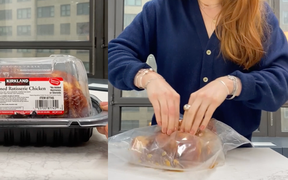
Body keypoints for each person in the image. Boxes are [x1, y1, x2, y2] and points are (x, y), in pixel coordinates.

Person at [107, 0, 288, 142]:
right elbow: (116, 54)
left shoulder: (259, 15)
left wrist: (232, 84)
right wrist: (147, 77)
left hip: (235, 156)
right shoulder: (160, 9)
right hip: (168, 149)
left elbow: (281, 81)